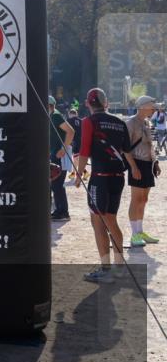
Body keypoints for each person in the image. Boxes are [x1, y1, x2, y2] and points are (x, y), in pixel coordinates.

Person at [74, 88, 142, 283]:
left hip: (100, 177)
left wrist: (79, 174)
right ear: (106, 103)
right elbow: (127, 150)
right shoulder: (119, 122)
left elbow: (84, 149)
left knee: (99, 222)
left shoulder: (89, 122)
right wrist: (134, 167)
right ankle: (119, 268)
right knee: (111, 219)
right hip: (117, 177)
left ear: (88, 104)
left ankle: (106, 270)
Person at [125, 95, 160, 247]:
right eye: (152, 106)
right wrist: (133, 167)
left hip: (147, 164)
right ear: (144, 106)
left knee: (144, 199)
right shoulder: (131, 122)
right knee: (136, 199)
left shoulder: (147, 122)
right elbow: (125, 148)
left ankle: (140, 231)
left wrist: (155, 162)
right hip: (137, 163)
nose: (154, 109)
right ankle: (134, 234)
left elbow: (150, 146)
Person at [48, 96, 75, 222]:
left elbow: (71, 131)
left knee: (57, 184)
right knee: (55, 184)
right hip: (54, 154)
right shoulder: (52, 116)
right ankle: (59, 210)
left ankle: (63, 211)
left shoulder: (56, 116)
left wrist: (63, 149)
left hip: (59, 154)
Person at [66, 108, 84, 179]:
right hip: (81, 141)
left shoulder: (69, 120)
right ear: (76, 114)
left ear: (70, 114)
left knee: (76, 158)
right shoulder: (81, 121)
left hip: (73, 141)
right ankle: (75, 173)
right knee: (77, 158)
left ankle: (81, 173)